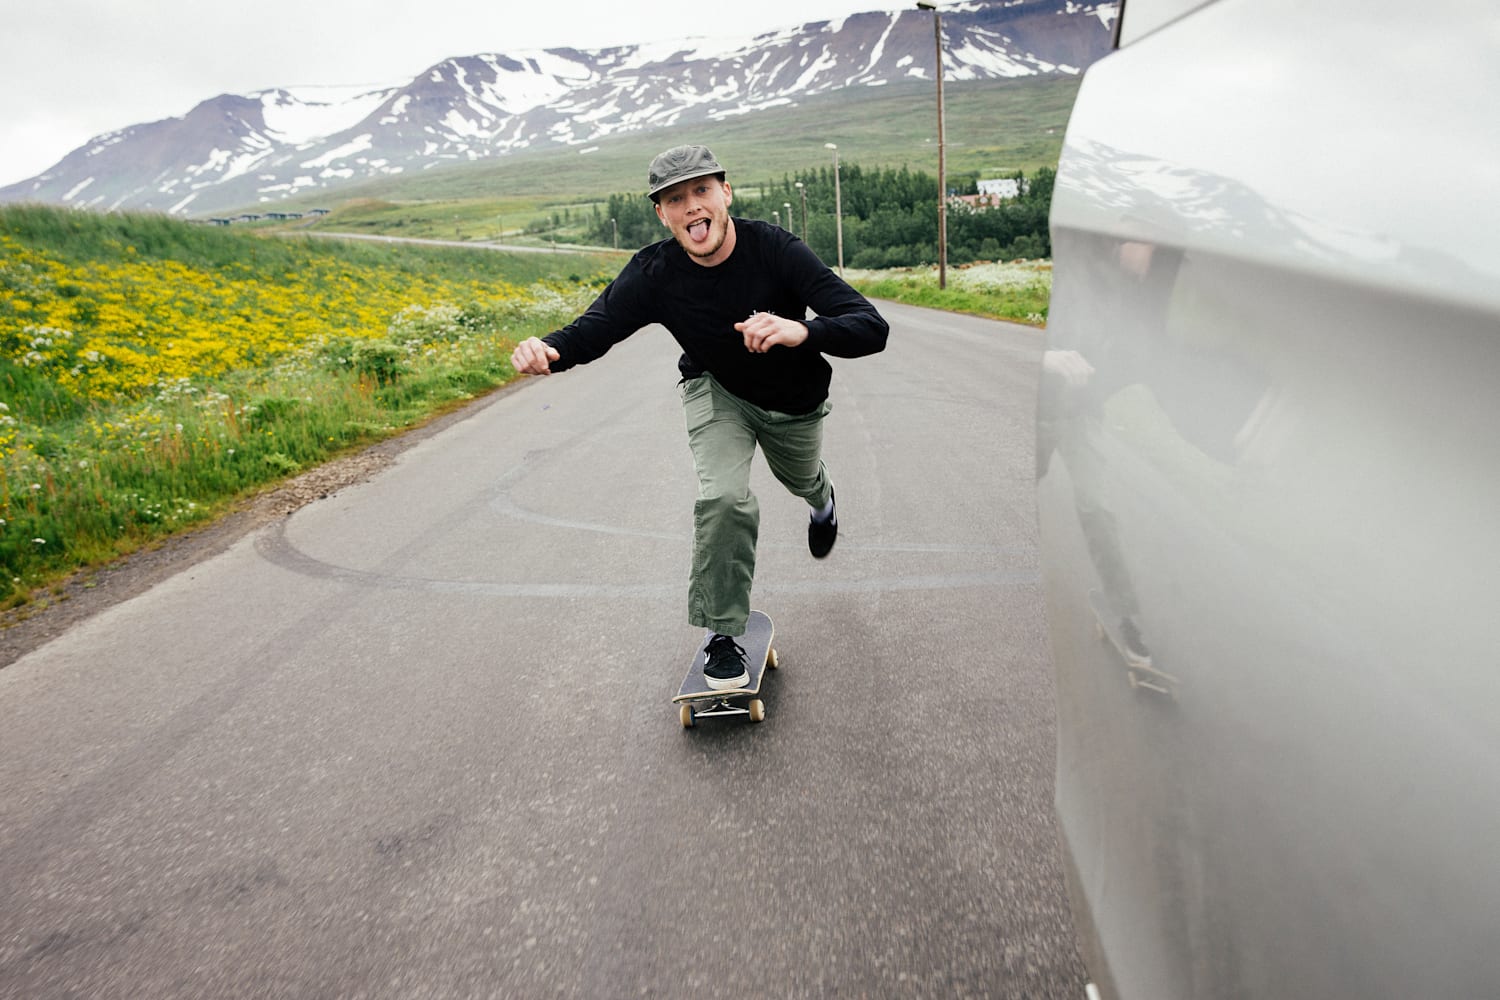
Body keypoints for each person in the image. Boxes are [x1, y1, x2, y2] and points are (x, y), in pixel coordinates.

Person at [511, 143, 889, 689]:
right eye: (675, 199)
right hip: (716, 392)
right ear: (662, 214)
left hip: (793, 403)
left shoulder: (776, 250)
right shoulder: (654, 272)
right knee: (724, 498)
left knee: (800, 478)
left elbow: (870, 326)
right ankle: (722, 633)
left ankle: (822, 500)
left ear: (725, 193)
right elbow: (596, 327)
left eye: (701, 191)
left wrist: (802, 330)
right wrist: (548, 350)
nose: (691, 207)